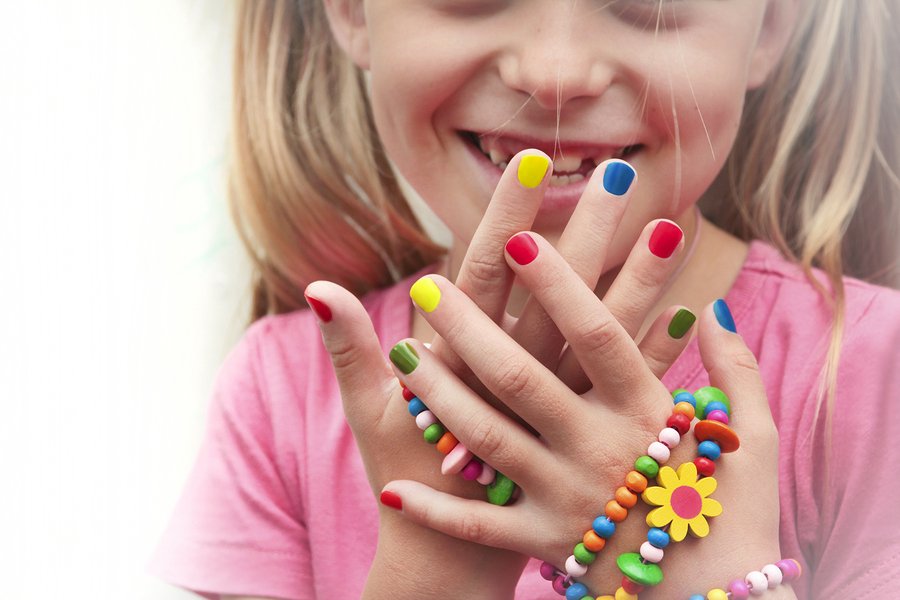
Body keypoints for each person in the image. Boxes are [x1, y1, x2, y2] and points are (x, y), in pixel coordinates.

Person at [148, 0, 900, 598]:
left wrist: (694, 577)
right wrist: (432, 578)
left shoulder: (873, 374)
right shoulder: (279, 394)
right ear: (349, 10)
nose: (556, 71)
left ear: (768, 25)